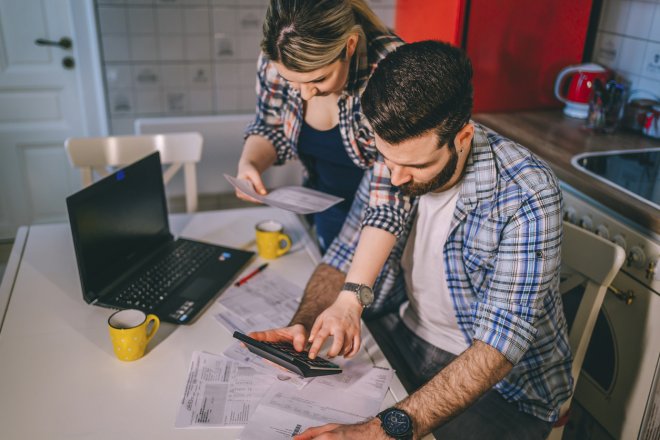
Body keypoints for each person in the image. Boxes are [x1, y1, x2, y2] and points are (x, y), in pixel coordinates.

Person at [251, 41, 573, 440]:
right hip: (406, 334)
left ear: (463, 137)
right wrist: (305, 326)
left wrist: (377, 431)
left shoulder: (526, 192)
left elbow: (498, 349)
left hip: (505, 389)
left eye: (416, 165)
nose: (396, 177)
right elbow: (343, 255)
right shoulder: (394, 158)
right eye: (389, 160)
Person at [236, 0, 408, 255]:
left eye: (318, 78)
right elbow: (270, 125)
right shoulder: (276, 60)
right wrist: (250, 162)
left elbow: (391, 191)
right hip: (321, 203)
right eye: (291, 81)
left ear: (349, 46)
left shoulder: (392, 70)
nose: (305, 95)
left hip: (384, 219)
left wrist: (341, 272)